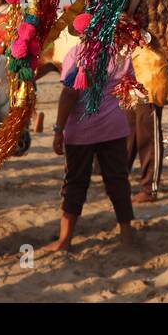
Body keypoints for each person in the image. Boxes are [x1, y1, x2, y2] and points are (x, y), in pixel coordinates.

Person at [45, 47, 137, 252]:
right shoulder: (121, 54)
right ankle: (127, 235)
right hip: (113, 128)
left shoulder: (76, 53)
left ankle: (65, 240)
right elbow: (129, 90)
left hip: (81, 131)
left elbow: (69, 93)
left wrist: (58, 129)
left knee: (75, 182)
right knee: (118, 180)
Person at [126, 47, 168, 203]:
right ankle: (120, 181)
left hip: (150, 82)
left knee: (148, 138)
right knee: (126, 135)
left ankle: (149, 188)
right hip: (128, 82)